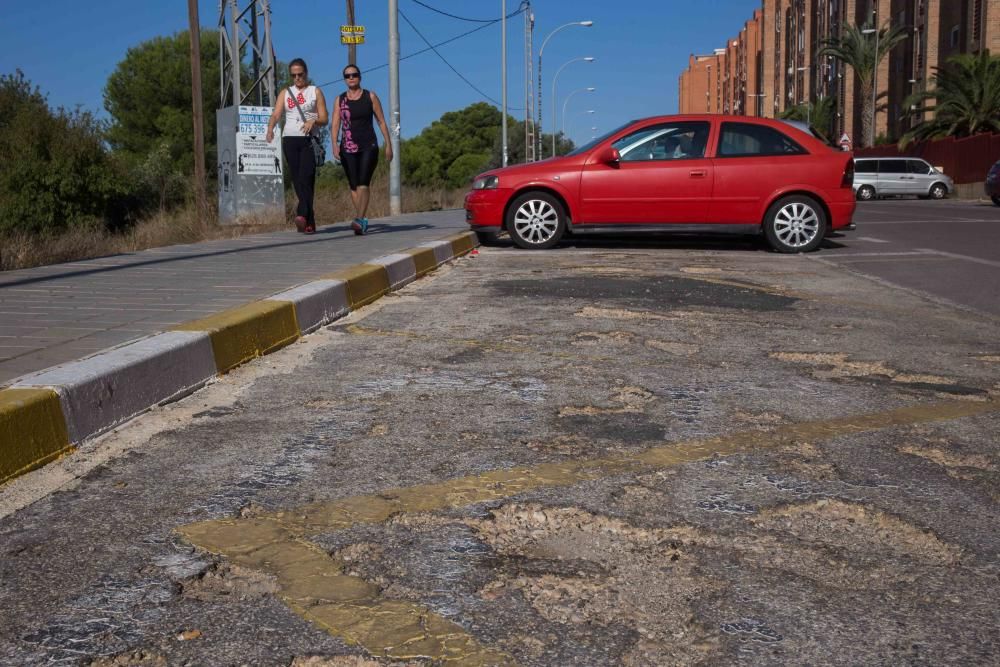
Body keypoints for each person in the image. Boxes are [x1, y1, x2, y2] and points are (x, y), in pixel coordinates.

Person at [266, 58, 328, 234]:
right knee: (297, 179)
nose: (297, 78)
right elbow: (277, 114)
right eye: (294, 75)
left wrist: (314, 120)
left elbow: (325, 118)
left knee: (307, 177)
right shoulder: (286, 92)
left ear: (306, 73)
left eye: (300, 74)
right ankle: (309, 221)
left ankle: (301, 214)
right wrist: (270, 128)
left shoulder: (314, 91)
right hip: (290, 139)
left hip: (308, 139)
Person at [330, 64, 393, 236]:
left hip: (368, 145)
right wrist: (334, 144)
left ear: (360, 76)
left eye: (354, 75)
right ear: (344, 79)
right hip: (347, 147)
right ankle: (362, 219)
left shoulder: (370, 96)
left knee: (363, 182)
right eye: (347, 76)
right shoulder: (340, 100)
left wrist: (388, 144)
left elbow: (381, 121)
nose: (351, 78)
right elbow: (335, 124)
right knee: (353, 185)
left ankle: (359, 219)